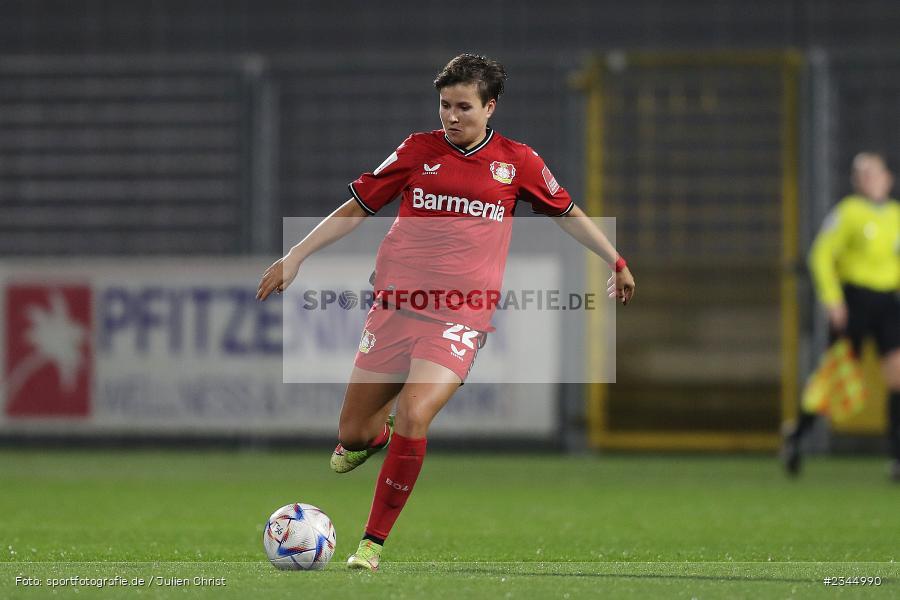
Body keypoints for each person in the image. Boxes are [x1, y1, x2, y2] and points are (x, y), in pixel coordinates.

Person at [257, 54, 635, 571]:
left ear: (489, 107)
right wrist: (295, 254)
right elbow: (356, 208)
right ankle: (377, 438)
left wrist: (613, 259)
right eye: (444, 106)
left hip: (461, 316)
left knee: (416, 412)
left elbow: (566, 212)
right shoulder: (418, 151)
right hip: (395, 308)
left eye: (463, 107)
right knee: (354, 434)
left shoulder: (516, 162)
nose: (452, 117)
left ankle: (371, 544)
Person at [782, 152, 900, 480]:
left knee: (898, 375)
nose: (867, 179)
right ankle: (797, 436)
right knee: (836, 377)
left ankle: (897, 457)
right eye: (860, 174)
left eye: (873, 172)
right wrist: (833, 300)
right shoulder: (848, 212)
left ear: (887, 177)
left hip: (888, 303)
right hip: (855, 301)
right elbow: (821, 255)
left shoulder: (895, 215)